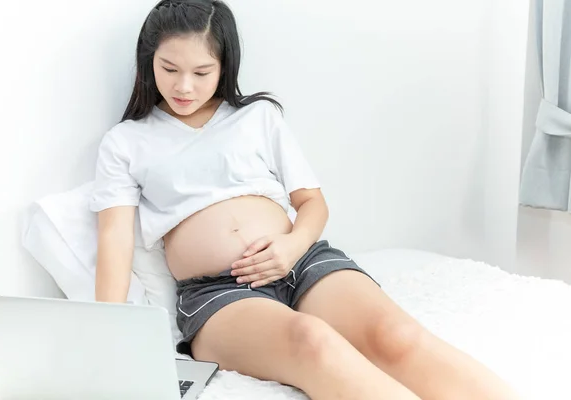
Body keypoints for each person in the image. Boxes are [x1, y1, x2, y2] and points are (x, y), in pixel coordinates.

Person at [90, 1, 523, 399]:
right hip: (217, 293)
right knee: (313, 342)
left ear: (224, 67)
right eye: (169, 69)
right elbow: (115, 241)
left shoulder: (257, 116)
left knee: (395, 337)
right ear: (149, 61)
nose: (184, 86)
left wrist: (290, 247)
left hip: (302, 261)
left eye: (202, 73)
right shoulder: (126, 142)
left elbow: (313, 204)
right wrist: (106, 336)